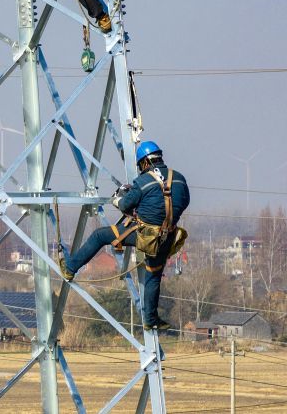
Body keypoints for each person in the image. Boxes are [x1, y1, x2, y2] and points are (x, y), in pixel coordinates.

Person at [58, 141, 190, 331]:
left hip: (144, 235)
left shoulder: (143, 182)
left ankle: (70, 267)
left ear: (144, 163)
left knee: (99, 236)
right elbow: (183, 202)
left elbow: (125, 205)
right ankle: (150, 320)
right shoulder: (179, 178)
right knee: (154, 274)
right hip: (167, 237)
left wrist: (118, 198)